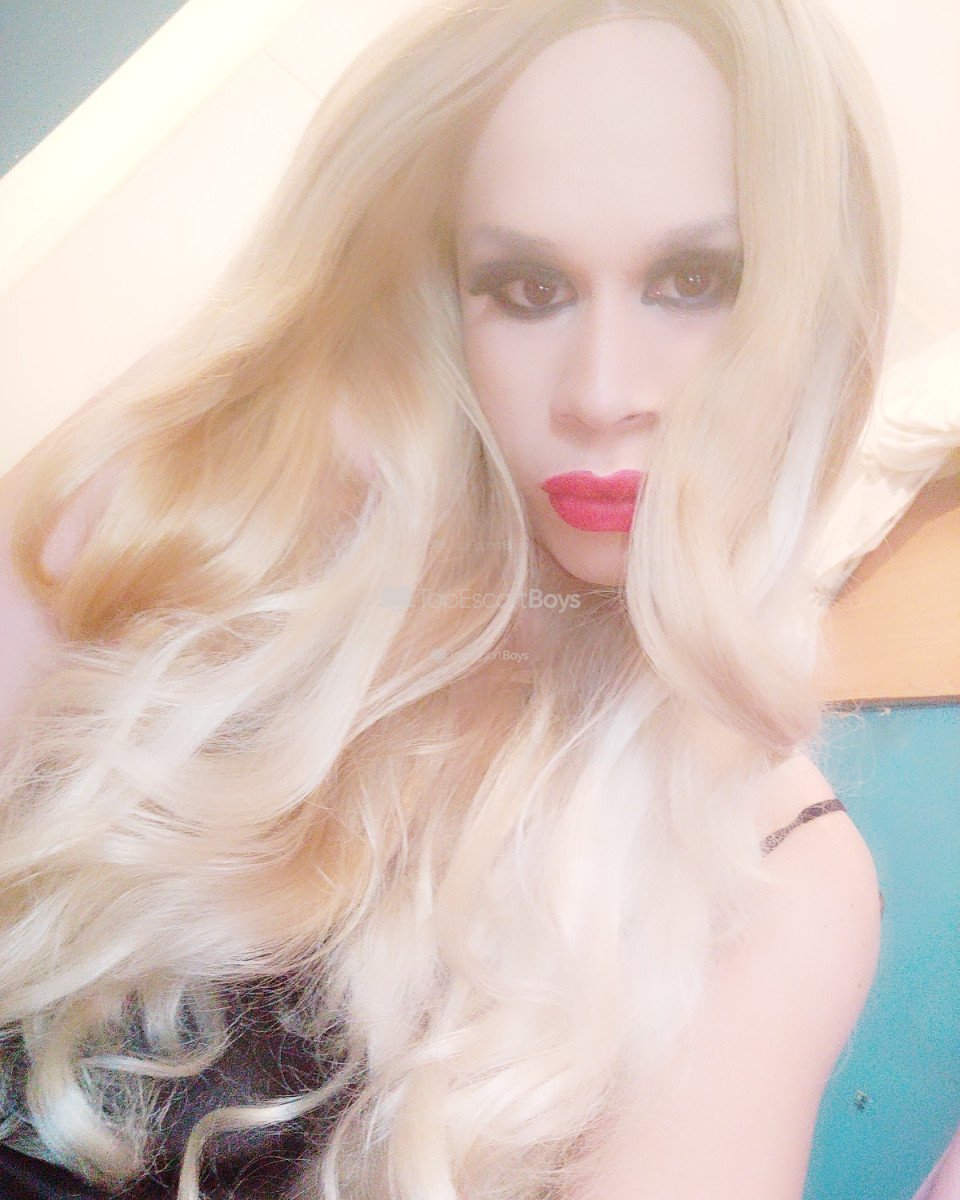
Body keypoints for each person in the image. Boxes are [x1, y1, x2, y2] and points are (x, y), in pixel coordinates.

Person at [0, 0, 894, 1196]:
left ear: (812, 311)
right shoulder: (192, 524)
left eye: (695, 280)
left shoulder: (781, 874)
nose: (601, 392)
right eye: (527, 287)